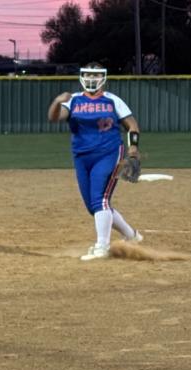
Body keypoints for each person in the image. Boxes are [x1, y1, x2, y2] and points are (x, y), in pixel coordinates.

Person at [47, 63, 144, 261]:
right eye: (88, 74)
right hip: (82, 156)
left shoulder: (112, 100)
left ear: (103, 78)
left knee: (99, 199)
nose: (91, 78)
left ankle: (102, 246)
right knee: (94, 206)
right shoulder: (73, 100)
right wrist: (57, 101)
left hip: (109, 152)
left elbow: (131, 124)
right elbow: (54, 118)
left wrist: (133, 149)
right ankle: (131, 235)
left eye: (95, 75)